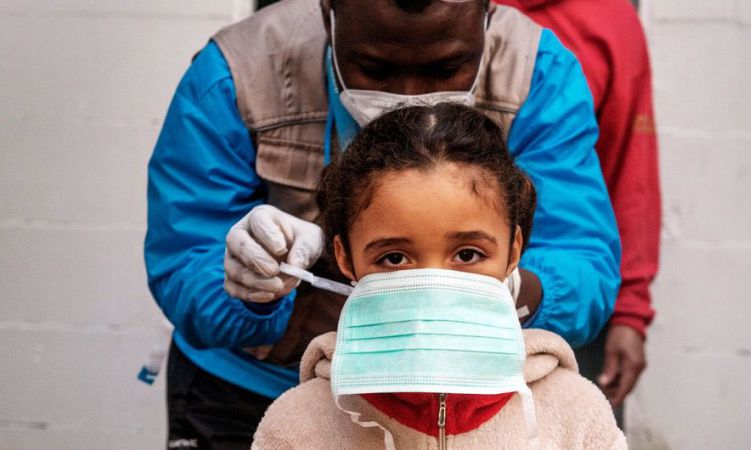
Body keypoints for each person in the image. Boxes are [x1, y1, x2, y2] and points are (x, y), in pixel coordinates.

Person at [145, 0, 620, 447]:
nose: (405, 102)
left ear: (487, 12)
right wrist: (261, 292)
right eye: (374, 69)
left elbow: (582, 263)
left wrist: (501, 291)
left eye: (446, 68)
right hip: (250, 391)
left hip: (474, 395)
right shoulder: (235, 73)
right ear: (328, 10)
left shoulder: (539, 72)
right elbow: (184, 261)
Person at [252, 103, 625, 449]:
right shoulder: (298, 424)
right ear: (345, 258)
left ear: (513, 251)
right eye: (394, 258)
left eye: (467, 254)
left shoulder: (576, 414)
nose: (433, 286)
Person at [494, 0, 661, 415]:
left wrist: (630, 311)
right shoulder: (440, 12)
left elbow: (629, 167)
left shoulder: (609, 17)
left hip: (561, 305)